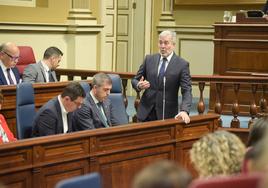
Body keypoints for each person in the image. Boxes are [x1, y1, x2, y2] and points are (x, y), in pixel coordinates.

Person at [131, 30, 192, 124]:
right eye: (160, 43)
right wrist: (139, 85)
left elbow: (186, 90)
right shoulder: (149, 59)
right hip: (145, 112)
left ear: (173, 44)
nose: (162, 46)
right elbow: (135, 79)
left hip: (167, 114)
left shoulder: (182, 65)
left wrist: (184, 110)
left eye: (166, 43)